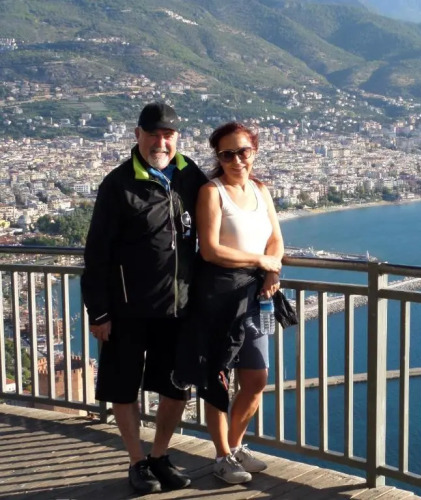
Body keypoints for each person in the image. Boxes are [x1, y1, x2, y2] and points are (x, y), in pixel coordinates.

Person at [81, 102, 208, 494]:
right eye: (153, 134)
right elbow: (97, 252)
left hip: (179, 306)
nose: (160, 142)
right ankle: (136, 461)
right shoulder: (118, 184)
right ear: (137, 135)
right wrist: (99, 311)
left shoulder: (190, 175)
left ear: (178, 138)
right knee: (123, 386)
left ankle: (159, 456)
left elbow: (220, 216)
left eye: (168, 135)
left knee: (175, 386)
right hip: (127, 309)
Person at [194, 121, 284, 484]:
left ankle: (235, 446)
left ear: (254, 152)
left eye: (242, 152)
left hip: (257, 296)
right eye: (227, 154)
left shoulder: (261, 190)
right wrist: (261, 261)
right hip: (219, 297)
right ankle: (222, 455)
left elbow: (276, 239)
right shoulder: (212, 192)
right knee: (219, 379)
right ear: (218, 157)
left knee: (256, 378)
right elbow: (210, 250)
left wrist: (273, 269)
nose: (236, 160)